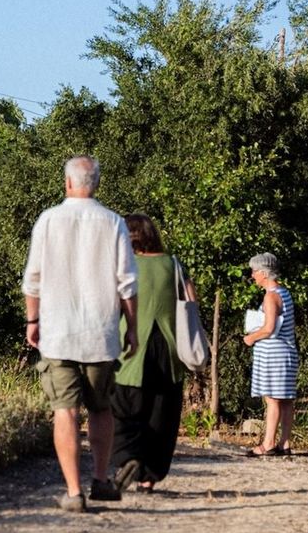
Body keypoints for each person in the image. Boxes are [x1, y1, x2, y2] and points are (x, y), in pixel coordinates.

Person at [22, 156, 138, 512]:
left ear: (68, 183)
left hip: (58, 333)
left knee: (65, 410)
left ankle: (73, 492)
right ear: (96, 183)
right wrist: (131, 328)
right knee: (101, 409)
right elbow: (128, 285)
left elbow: (34, 278)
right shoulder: (114, 222)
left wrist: (33, 320)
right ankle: (101, 480)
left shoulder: (48, 220)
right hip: (100, 334)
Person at [111, 214, 195, 493]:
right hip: (169, 351)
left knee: (124, 408)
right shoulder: (174, 265)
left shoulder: (126, 265)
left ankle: (128, 457)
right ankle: (148, 477)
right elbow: (191, 302)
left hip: (131, 348)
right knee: (162, 414)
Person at [243, 253, 298, 456]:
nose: (253, 275)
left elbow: (268, 328)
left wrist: (251, 338)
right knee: (285, 400)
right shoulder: (284, 293)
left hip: (274, 354)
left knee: (272, 399)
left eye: (255, 271)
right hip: (286, 351)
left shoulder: (271, 296)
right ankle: (284, 442)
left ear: (264, 273)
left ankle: (268, 443)